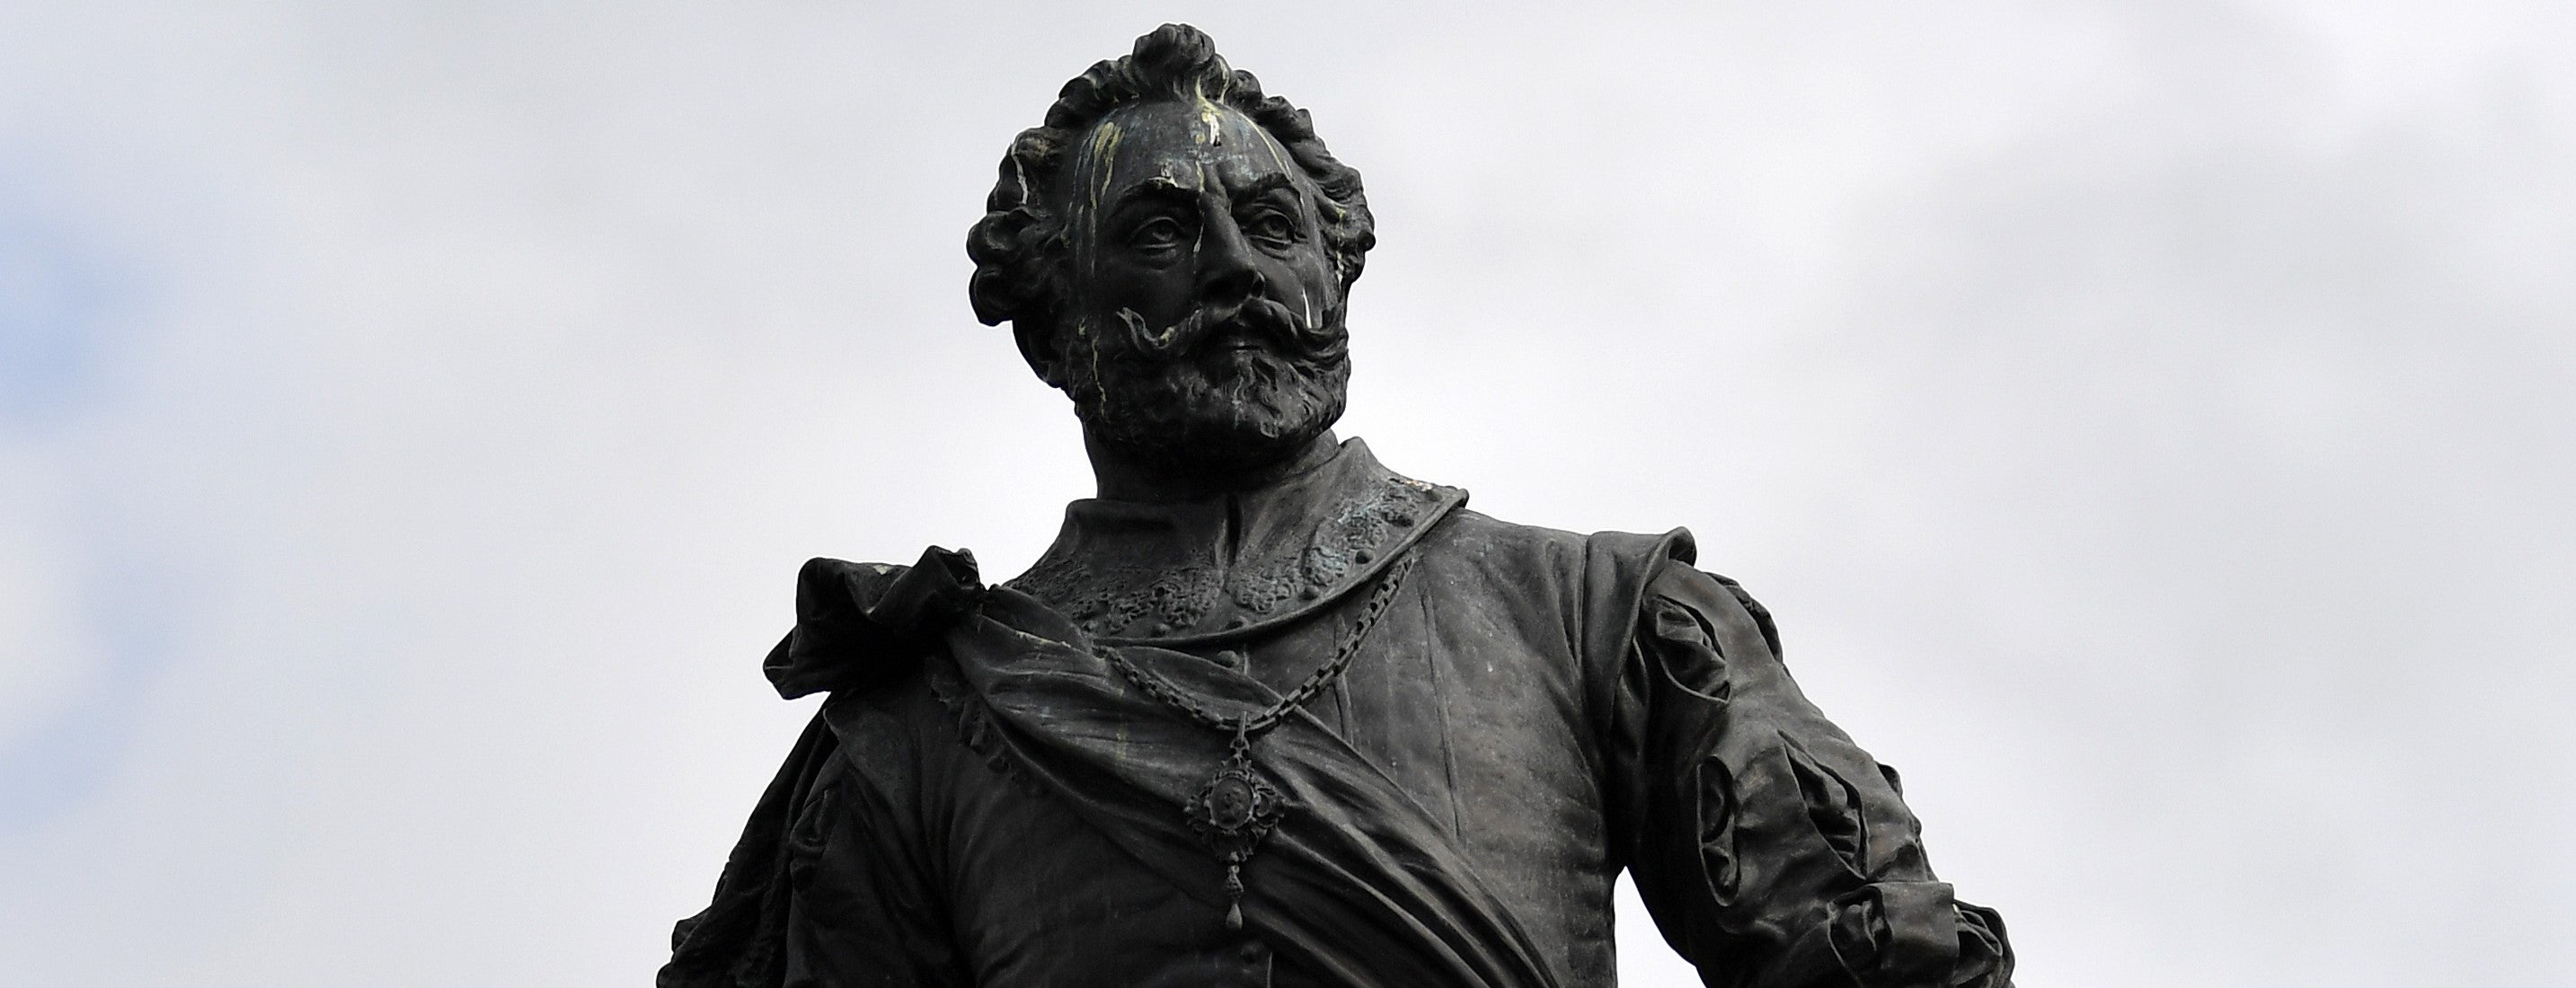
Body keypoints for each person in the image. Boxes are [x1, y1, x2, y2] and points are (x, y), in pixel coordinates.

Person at [662, 23, 2013, 988]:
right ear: (1055, 325)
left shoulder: (1605, 617)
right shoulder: (921, 725)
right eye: (1160, 232)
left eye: (1275, 225)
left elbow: (1877, 958)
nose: (1241, 271)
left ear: (1342, 268)